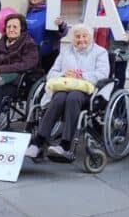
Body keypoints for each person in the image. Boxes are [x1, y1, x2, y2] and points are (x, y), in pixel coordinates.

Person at [25, 24, 109, 163]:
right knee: (59, 97)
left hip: (88, 92)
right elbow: (52, 73)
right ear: (72, 38)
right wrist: (64, 73)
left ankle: (65, 144)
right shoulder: (65, 51)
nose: (81, 39)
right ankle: (38, 141)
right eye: (77, 36)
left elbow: (103, 74)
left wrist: (81, 75)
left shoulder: (100, 52)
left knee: (73, 96)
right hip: (64, 88)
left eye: (84, 36)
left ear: (91, 37)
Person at [25, 0, 68, 72]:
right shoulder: (26, 12)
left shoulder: (51, 10)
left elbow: (63, 32)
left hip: (48, 57)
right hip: (30, 56)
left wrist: (60, 25)